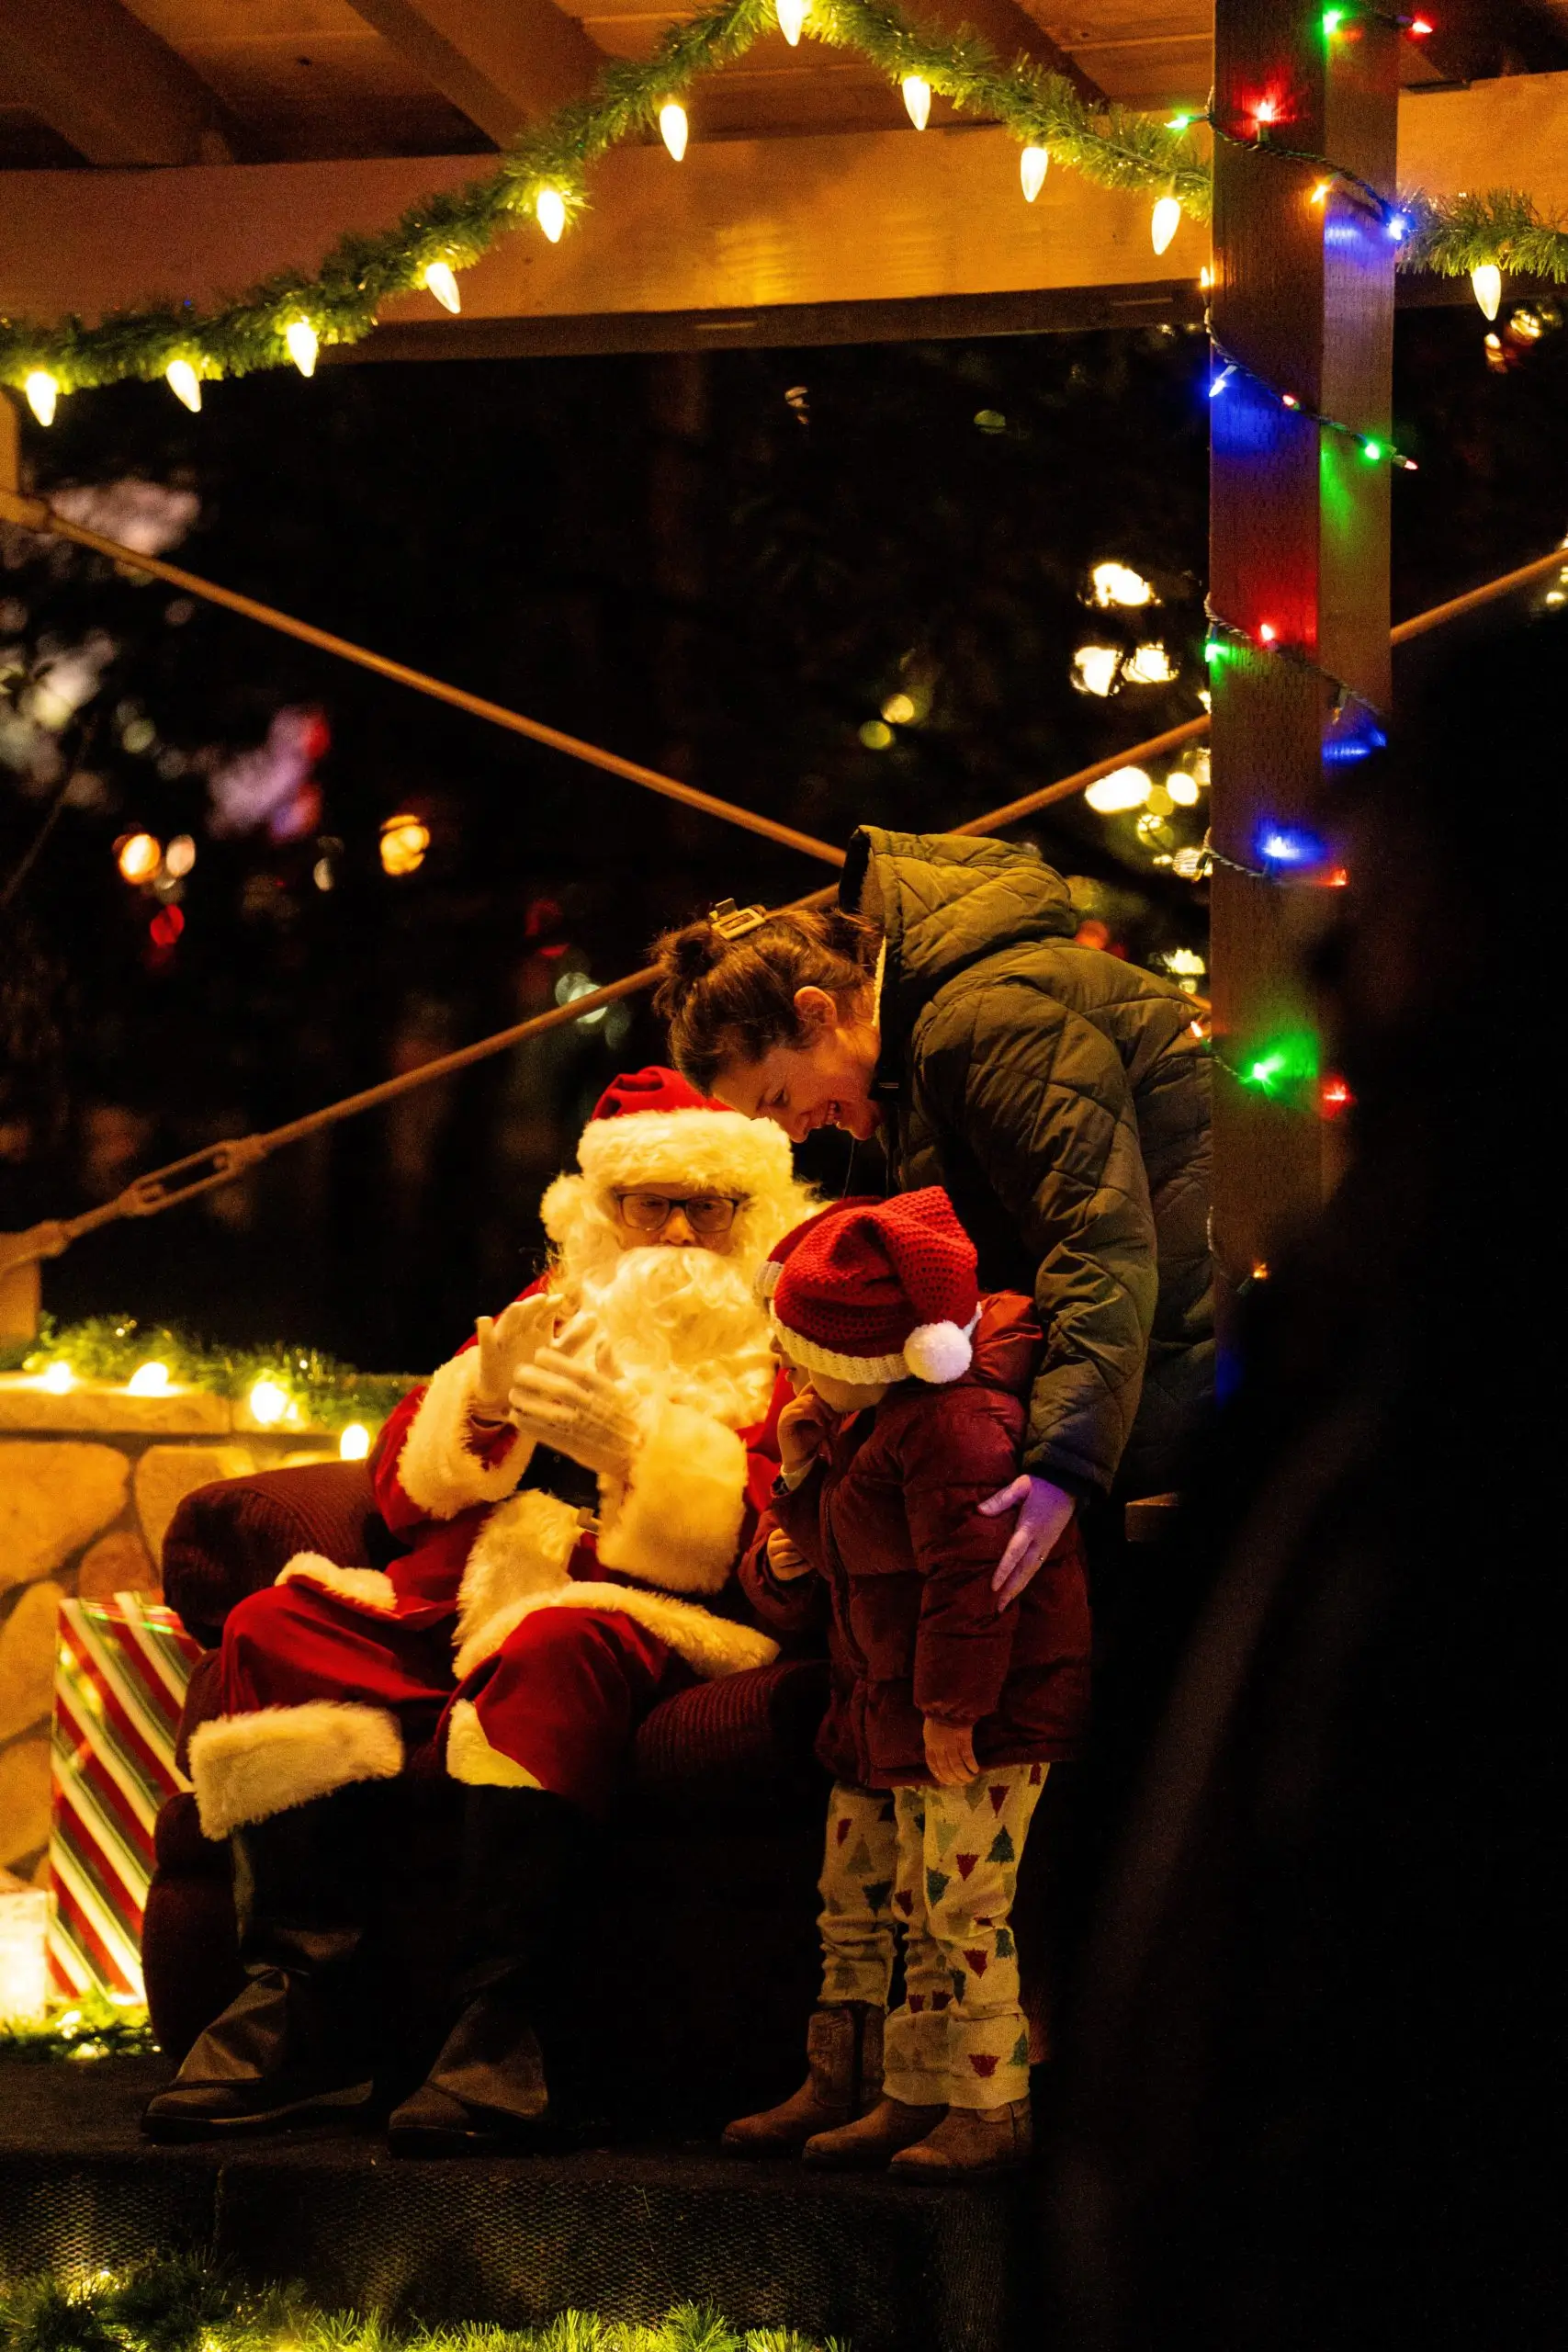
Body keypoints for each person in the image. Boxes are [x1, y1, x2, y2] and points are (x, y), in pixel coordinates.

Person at [141, 1068, 815, 2154]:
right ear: (599, 1214)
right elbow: (402, 1498)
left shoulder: (780, 1341)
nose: (682, 1231)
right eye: (652, 1203)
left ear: (753, 1215)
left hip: (641, 1609)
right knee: (276, 1628)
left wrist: (637, 1453)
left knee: (555, 1646)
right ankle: (304, 1996)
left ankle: (510, 2026)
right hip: (467, 1598)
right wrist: (486, 1404)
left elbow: (778, 1520)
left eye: (712, 1204)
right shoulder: (548, 1315)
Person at [651, 830, 1213, 1602]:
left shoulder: (977, 1025)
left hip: (1185, 1386)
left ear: (816, 1012)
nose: (791, 1129)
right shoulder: (920, 1057)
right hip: (1149, 1378)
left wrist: (1060, 1466)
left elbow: (1095, 1238)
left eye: (779, 1098)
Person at [724, 1189, 1090, 2180]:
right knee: (892, 1903)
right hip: (883, 1705)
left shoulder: (953, 1426)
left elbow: (973, 1583)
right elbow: (847, 1565)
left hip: (979, 1720)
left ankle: (990, 2103)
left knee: (964, 1905)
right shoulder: (864, 1419)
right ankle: (900, 2090)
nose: (786, 1369)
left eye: (803, 1351)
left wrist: (949, 1708)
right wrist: (797, 1480)